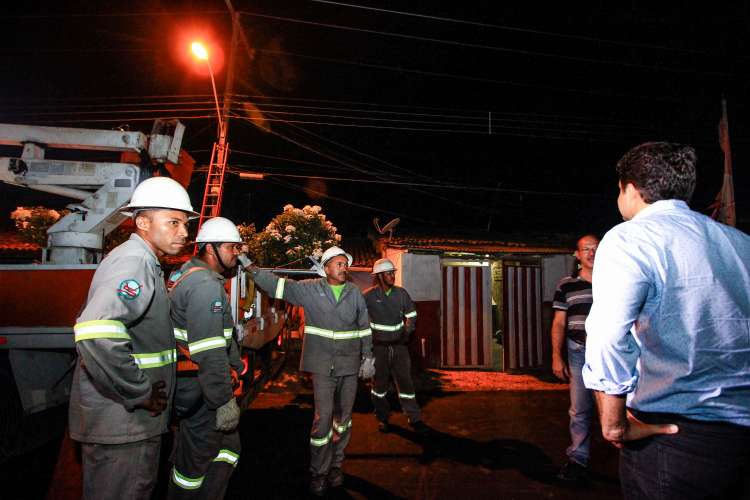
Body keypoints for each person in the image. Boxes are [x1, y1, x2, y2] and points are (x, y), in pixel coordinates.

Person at [582, 142, 750, 500]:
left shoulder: (630, 238)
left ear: (630, 189)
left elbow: (609, 334)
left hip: (670, 438)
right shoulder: (740, 243)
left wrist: (614, 425)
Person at [69, 176, 197, 500]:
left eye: (185, 224)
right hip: (126, 423)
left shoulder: (144, 261)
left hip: (126, 422)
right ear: (142, 221)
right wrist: (139, 391)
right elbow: (96, 331)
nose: (183, 232)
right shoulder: (135, 261)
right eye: (173, 222)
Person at [241, 246, 374, 496]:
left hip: (349, 364)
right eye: (338, 263)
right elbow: (277, 286)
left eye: (345, 263)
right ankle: (319, 472)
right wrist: (249, 266)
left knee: (343, 420)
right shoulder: (310, 289)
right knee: (323, 420)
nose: (343, 267)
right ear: (325, 268)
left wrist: (368, 357)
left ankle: (336, 465)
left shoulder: (355, 293)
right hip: (323, 365)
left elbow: (364, 326)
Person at [167, 217, 245, 499]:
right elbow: (210, 352)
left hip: (195, 386)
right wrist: (223, 400)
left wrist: (236, 366)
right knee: (196, 461)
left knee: (226, 448)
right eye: (231, 247)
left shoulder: (188, 275)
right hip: (201, 390)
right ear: (210, 249)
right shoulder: (205, 286)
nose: (236, 253)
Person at [550, 234, 598, 482]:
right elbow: (559, 323)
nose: (591, 252)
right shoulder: (566, 284)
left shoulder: (614, 281)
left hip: (609, 355)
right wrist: (556, 357)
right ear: (577, 255)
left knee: (620, 407)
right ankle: (578, 459)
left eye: (595, 248)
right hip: (578, 353)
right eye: (586, 249)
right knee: (579, 409)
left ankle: (634, 460)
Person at [364, 258, 428, 434]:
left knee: (406, 384)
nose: (392, 276)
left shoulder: (401, 294)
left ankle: (414, 418)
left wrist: (407, 332)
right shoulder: (368, 296)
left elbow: (412, 315)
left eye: (393, 272)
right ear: (379, 276)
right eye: (388, 273)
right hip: (379, 349)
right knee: (379, 386)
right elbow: (358, 318)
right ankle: (383, 418)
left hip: (399, 348)